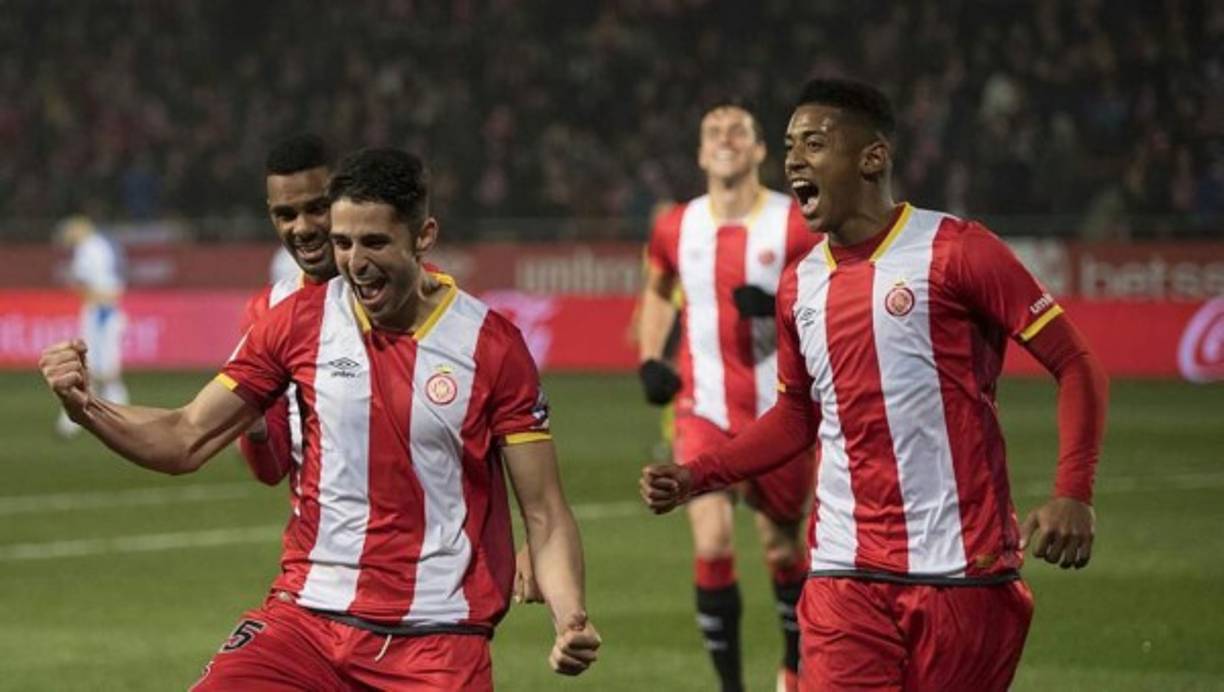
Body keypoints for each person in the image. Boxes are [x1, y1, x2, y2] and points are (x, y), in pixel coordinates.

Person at [40, 148, 600, 690]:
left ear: (423, 238)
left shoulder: (492, 347)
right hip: (304, 624)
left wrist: (569, 617)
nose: (356, 263)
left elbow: (545, 514)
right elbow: (185, 437)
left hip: (436, 643)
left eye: (375, 242)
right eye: (344, 242)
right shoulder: (298, 322)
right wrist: (87, 408)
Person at [641, 77, 1110, 690]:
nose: (794, 160)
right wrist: (698, 473)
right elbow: (795, 416)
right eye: (789, 145)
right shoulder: (800, 284)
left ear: (872, 157)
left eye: (814, 142)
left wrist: (1073, 489)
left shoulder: (958, 251)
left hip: (961, 570)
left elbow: (1077, 364)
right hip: (843, 571)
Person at [636, 101, 820, 692]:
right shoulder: (676, 226)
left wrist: (777, 306)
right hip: (703, 407)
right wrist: (649, 359)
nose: (725, 138)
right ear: (699, 152)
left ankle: (793, 669)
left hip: (780, 410)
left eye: (738, 129)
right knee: (711, 538)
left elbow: (830, 289)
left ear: (761, 150)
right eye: (712, 130)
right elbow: (659, 289)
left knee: (783, 547)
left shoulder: (794, 222)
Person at [236, 133, 338, 488]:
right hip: (312, 541)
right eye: (286, 214)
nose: (303, 228)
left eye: (318, 208)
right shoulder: (267, 311)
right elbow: (271, 469)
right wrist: (256, 426)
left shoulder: (410, 296)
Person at [53, 215, 128, 438]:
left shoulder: (88, 249)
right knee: (97, 366)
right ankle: (114, 415)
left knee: (96, 366)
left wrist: (99, 298)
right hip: (102, 310)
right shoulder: (101, 246)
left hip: (100, 312)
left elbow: (88, 284)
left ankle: (106, 416)